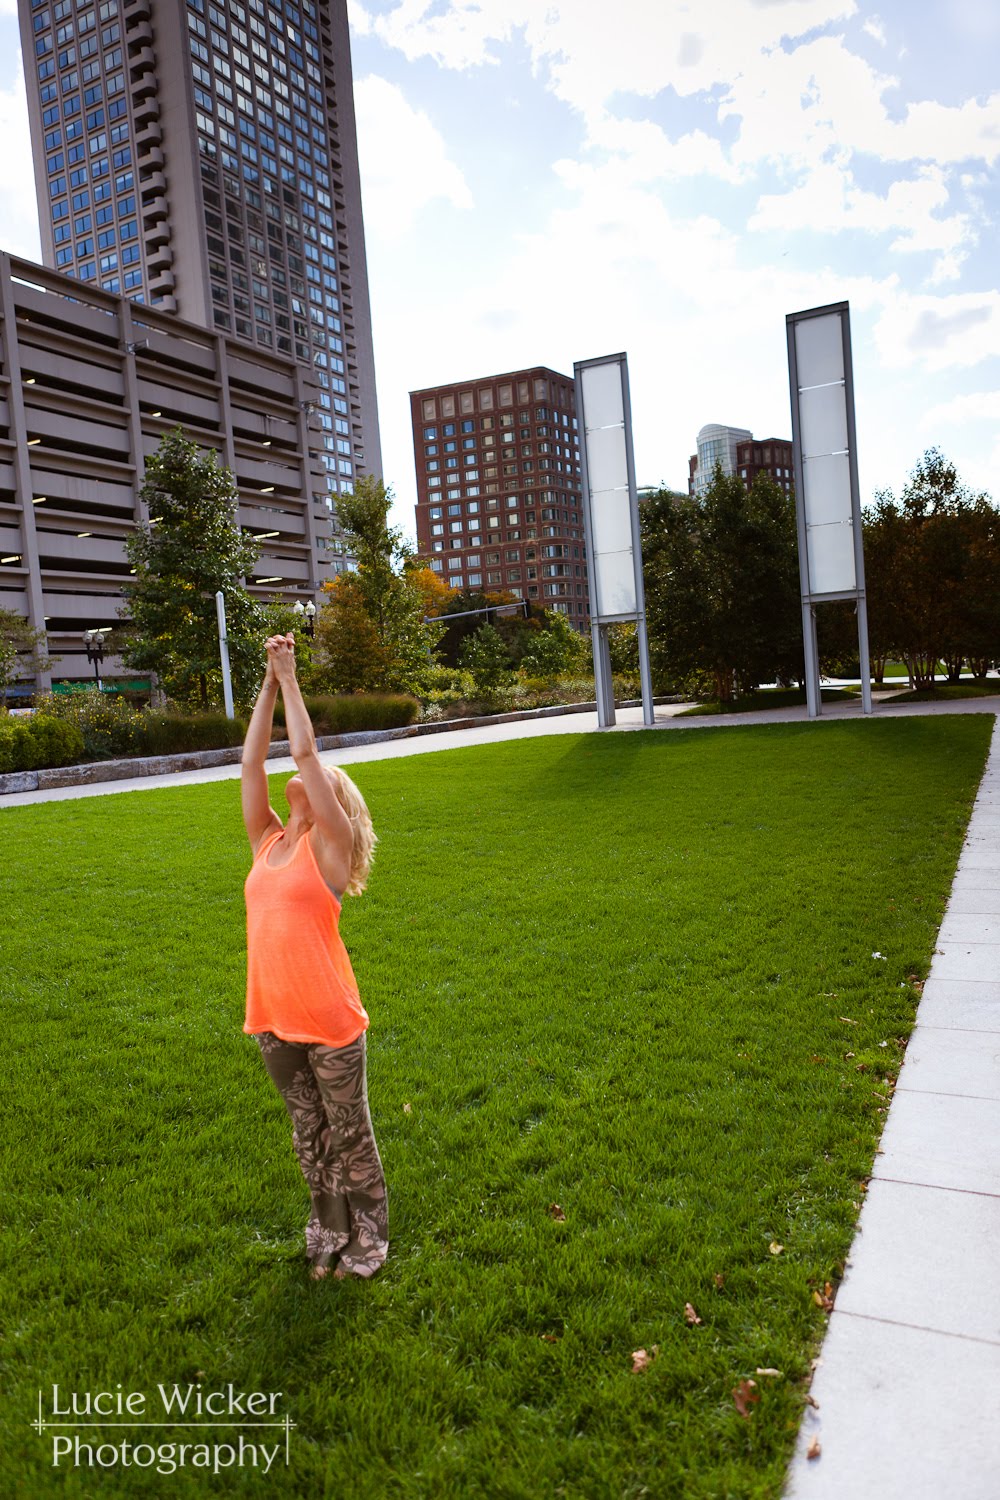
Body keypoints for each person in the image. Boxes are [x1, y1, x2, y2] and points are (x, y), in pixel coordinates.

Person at [241, 632, 387, 1280]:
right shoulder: (268, 839)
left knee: (350, 1135)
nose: (304, 774)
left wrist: (292, 676)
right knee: (311, 1136)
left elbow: (303, 751)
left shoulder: (330, 846)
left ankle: (371, 1237)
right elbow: (250, 767)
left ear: (336, 801)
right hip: (274, 1020)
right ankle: (328, 1227)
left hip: (330, 1023)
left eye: (320, 776)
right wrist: (268, 685)